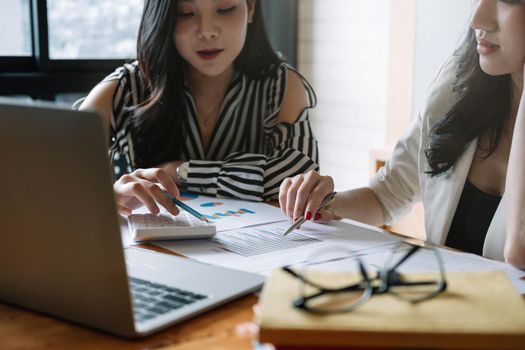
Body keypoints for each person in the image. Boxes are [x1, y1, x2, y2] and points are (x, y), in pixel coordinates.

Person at [279, 0, 525, 269]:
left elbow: (518, 252)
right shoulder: (460, 79)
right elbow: (386, 195)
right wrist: (326, 204)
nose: (477, 19)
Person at [79, 0, 319, 216]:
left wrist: (179, 171)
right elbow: (55, 184)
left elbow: (301, 184)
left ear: (251, 7)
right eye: (185, 13)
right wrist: (106, 199)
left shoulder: (280, 85)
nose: (207, 31)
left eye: (225, 9)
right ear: (165, 18)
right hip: (151, 259)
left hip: (256, 258)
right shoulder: (125, 87)